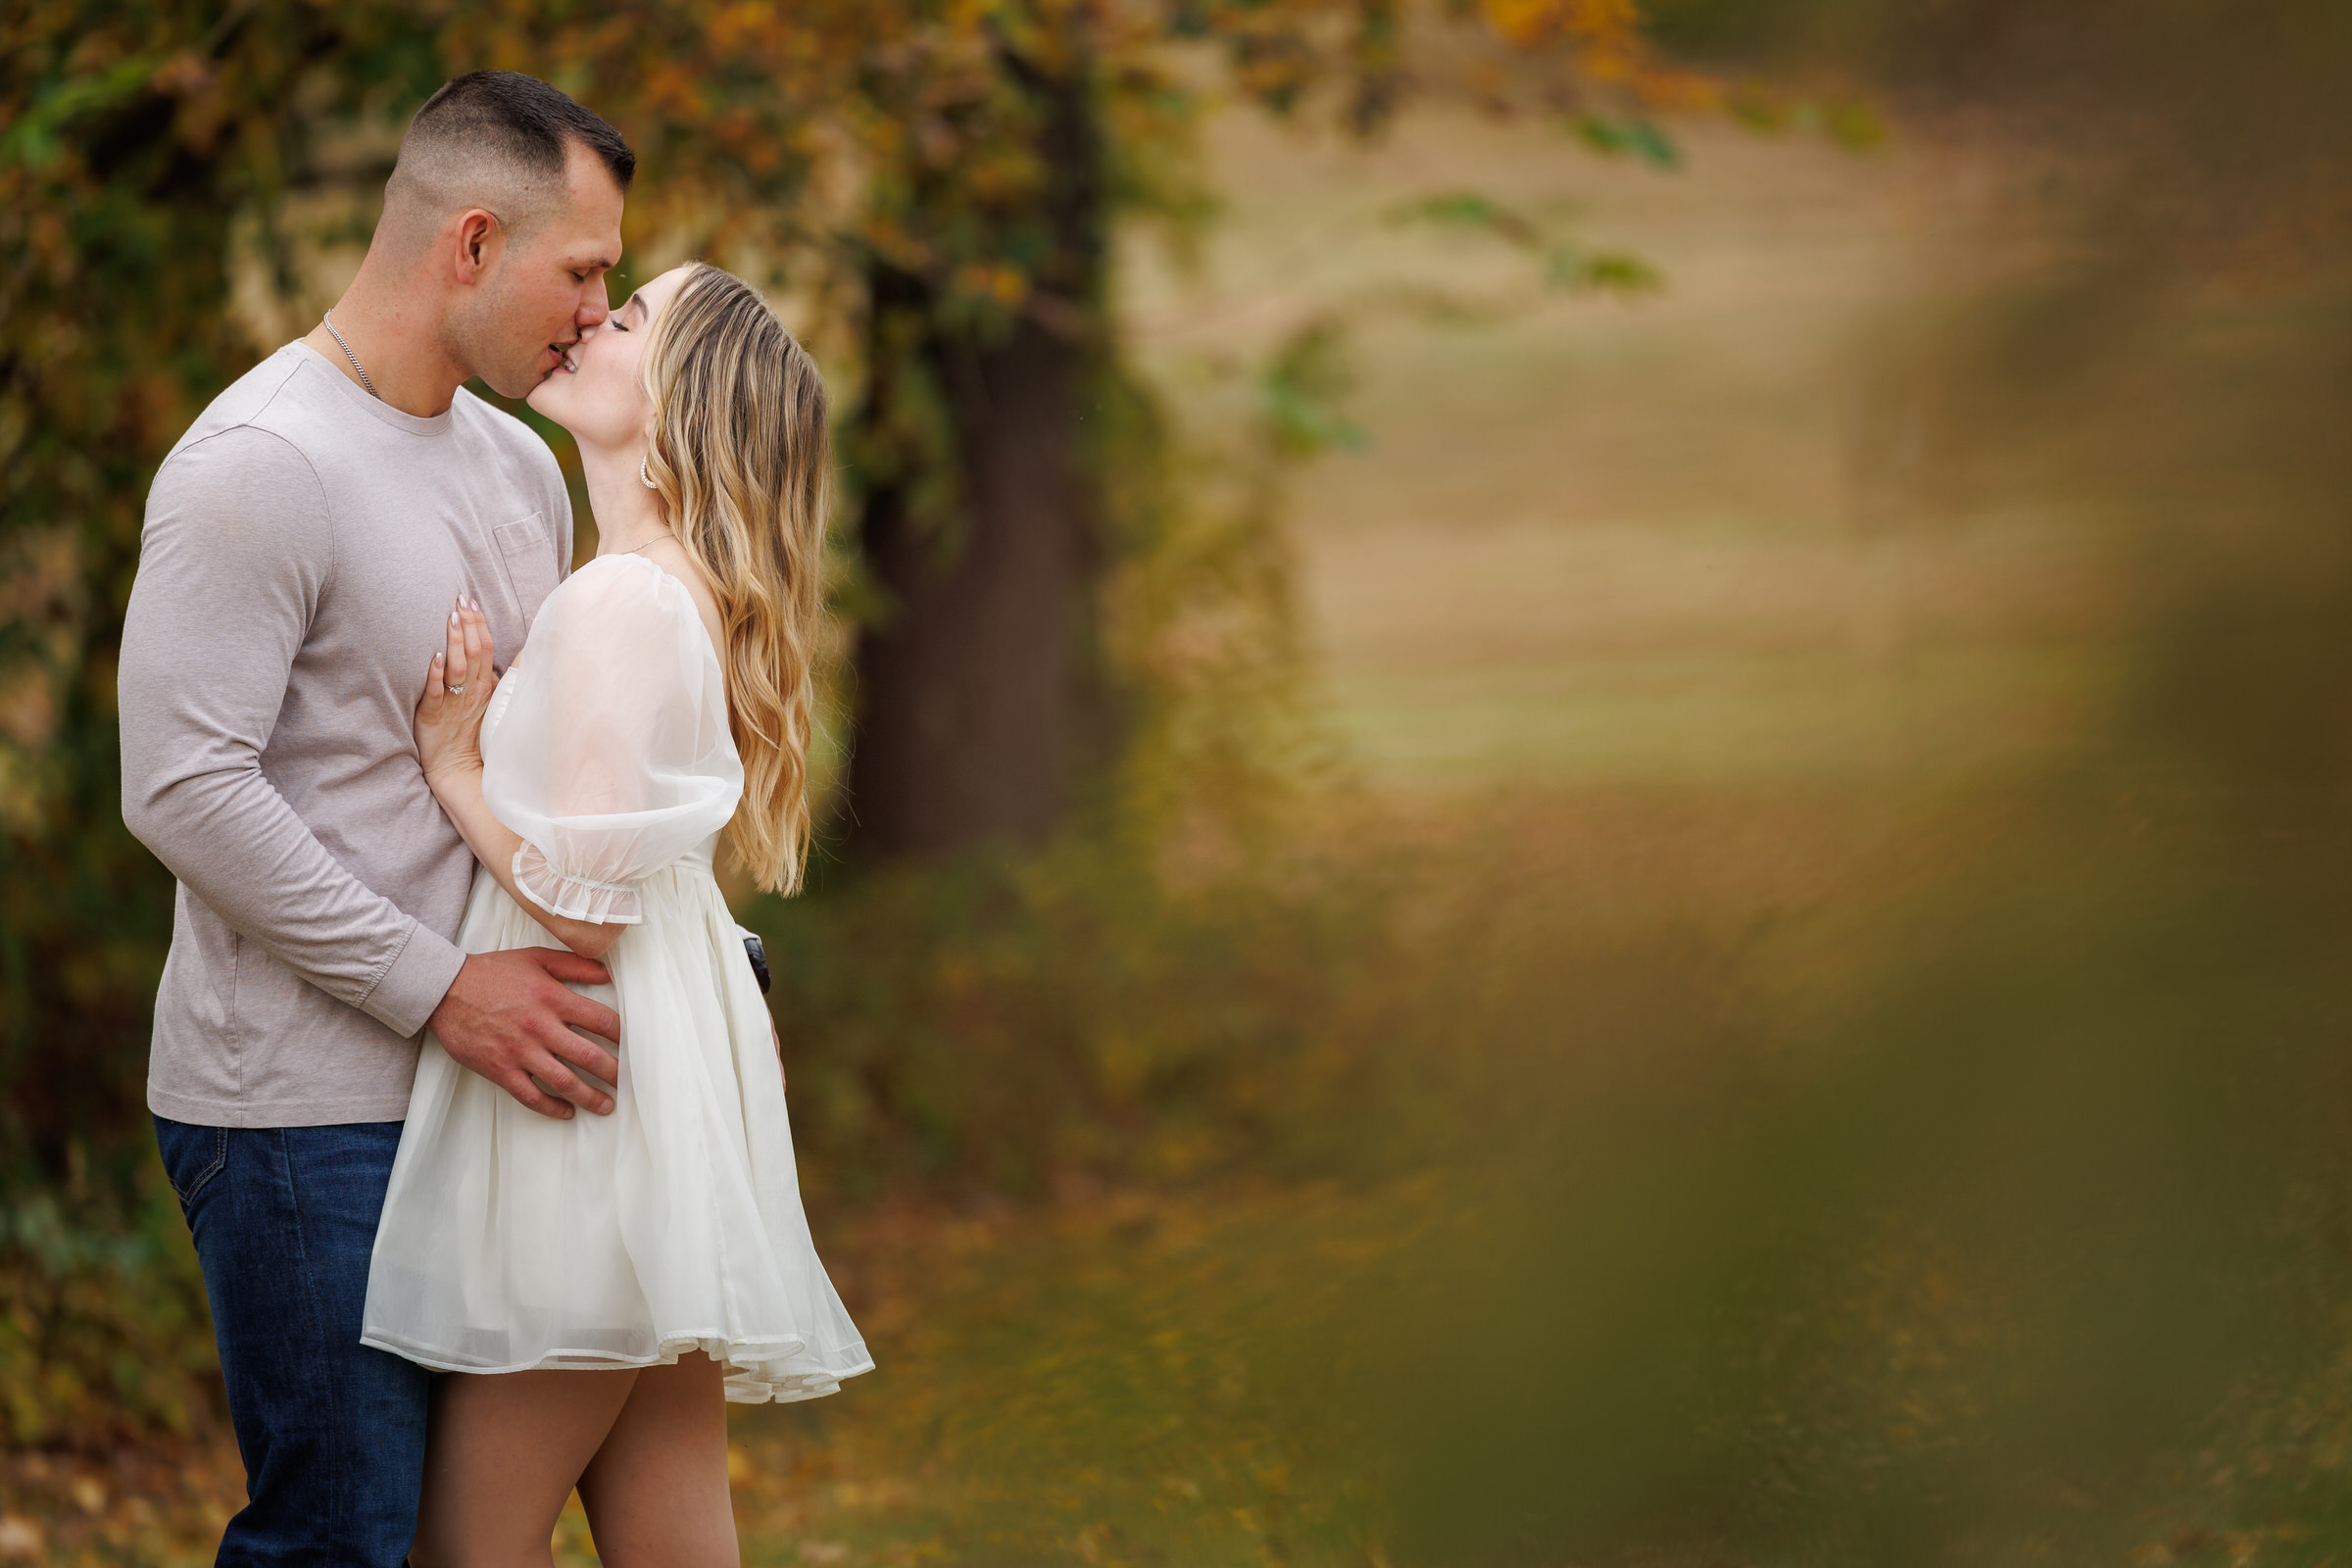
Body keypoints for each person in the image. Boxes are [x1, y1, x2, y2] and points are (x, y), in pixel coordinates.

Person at [120, 72, 641, 1565]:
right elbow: (181, 787)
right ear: (472, 242)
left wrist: (693, 962)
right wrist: (443, 989)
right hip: (301, 1118)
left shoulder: (519, 466)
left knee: (469, 1541)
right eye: (581, 271)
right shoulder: (260, 465)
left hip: (485, 1101)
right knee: (342, 1540)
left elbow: (550, 773)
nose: (596, 316)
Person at [364, 259, 872, 1560]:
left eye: (632, 314)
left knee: (467, 1548)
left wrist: (455, 767)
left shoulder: (621, 600)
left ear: (678, 398)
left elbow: (584, 910)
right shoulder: (663, 588)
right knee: (673, 1539)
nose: (594, 317)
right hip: (652, 1086)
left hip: (583, 1090)